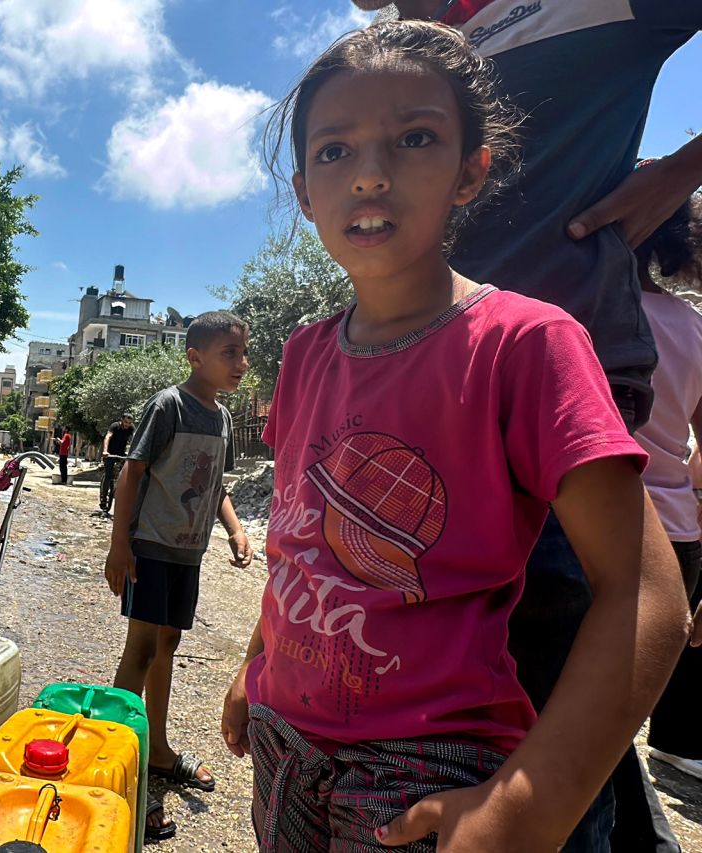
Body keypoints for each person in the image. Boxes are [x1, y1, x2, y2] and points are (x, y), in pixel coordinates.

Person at [223, 21, 688, 852]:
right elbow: (301, 537)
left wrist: (526, 807)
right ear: (303, 192)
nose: (368, 173)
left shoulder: (528, 344)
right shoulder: (302, 352)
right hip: (281, 746)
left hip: (422, 768)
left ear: (472, 171)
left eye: (414, 138)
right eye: (334, 152)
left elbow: (647, 596)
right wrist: (255, 664)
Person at [360, 3, 702, 846]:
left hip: (551, 394)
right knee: (488, 697)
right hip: (427, 392)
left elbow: (646, 603)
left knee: (540, 717)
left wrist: (682, 172)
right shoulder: (434, 44)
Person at [104, 310, 254, 840]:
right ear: (195, 356)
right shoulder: (168, 405)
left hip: (188, 555)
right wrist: (120, 544)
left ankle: (159, 751)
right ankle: (122, 766)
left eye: (242, 353)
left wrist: (235, 530)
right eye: (229, 353)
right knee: (140, 651)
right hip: (150, 548)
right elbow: (132, 472)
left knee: (167, 645)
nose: (241, 363)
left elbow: (217, 486)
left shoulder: (224, 418)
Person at [611, 194, 702, 850]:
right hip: (682, 547)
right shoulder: (694, 327)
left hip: (604, 541)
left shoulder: (586, 317)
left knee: (592, 734)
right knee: (613, 730)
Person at [100, 414, 136, 512]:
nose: (127, 425)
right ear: (121, 420)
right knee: (108, 475)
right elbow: (107, 437)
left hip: (121, 453)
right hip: (110, 453)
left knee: (127, 472)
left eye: (129, 423)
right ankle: (104, 498)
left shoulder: (131, 428)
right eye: (126, 422)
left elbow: (135, 439)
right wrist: (105, 451)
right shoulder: (114, 426)